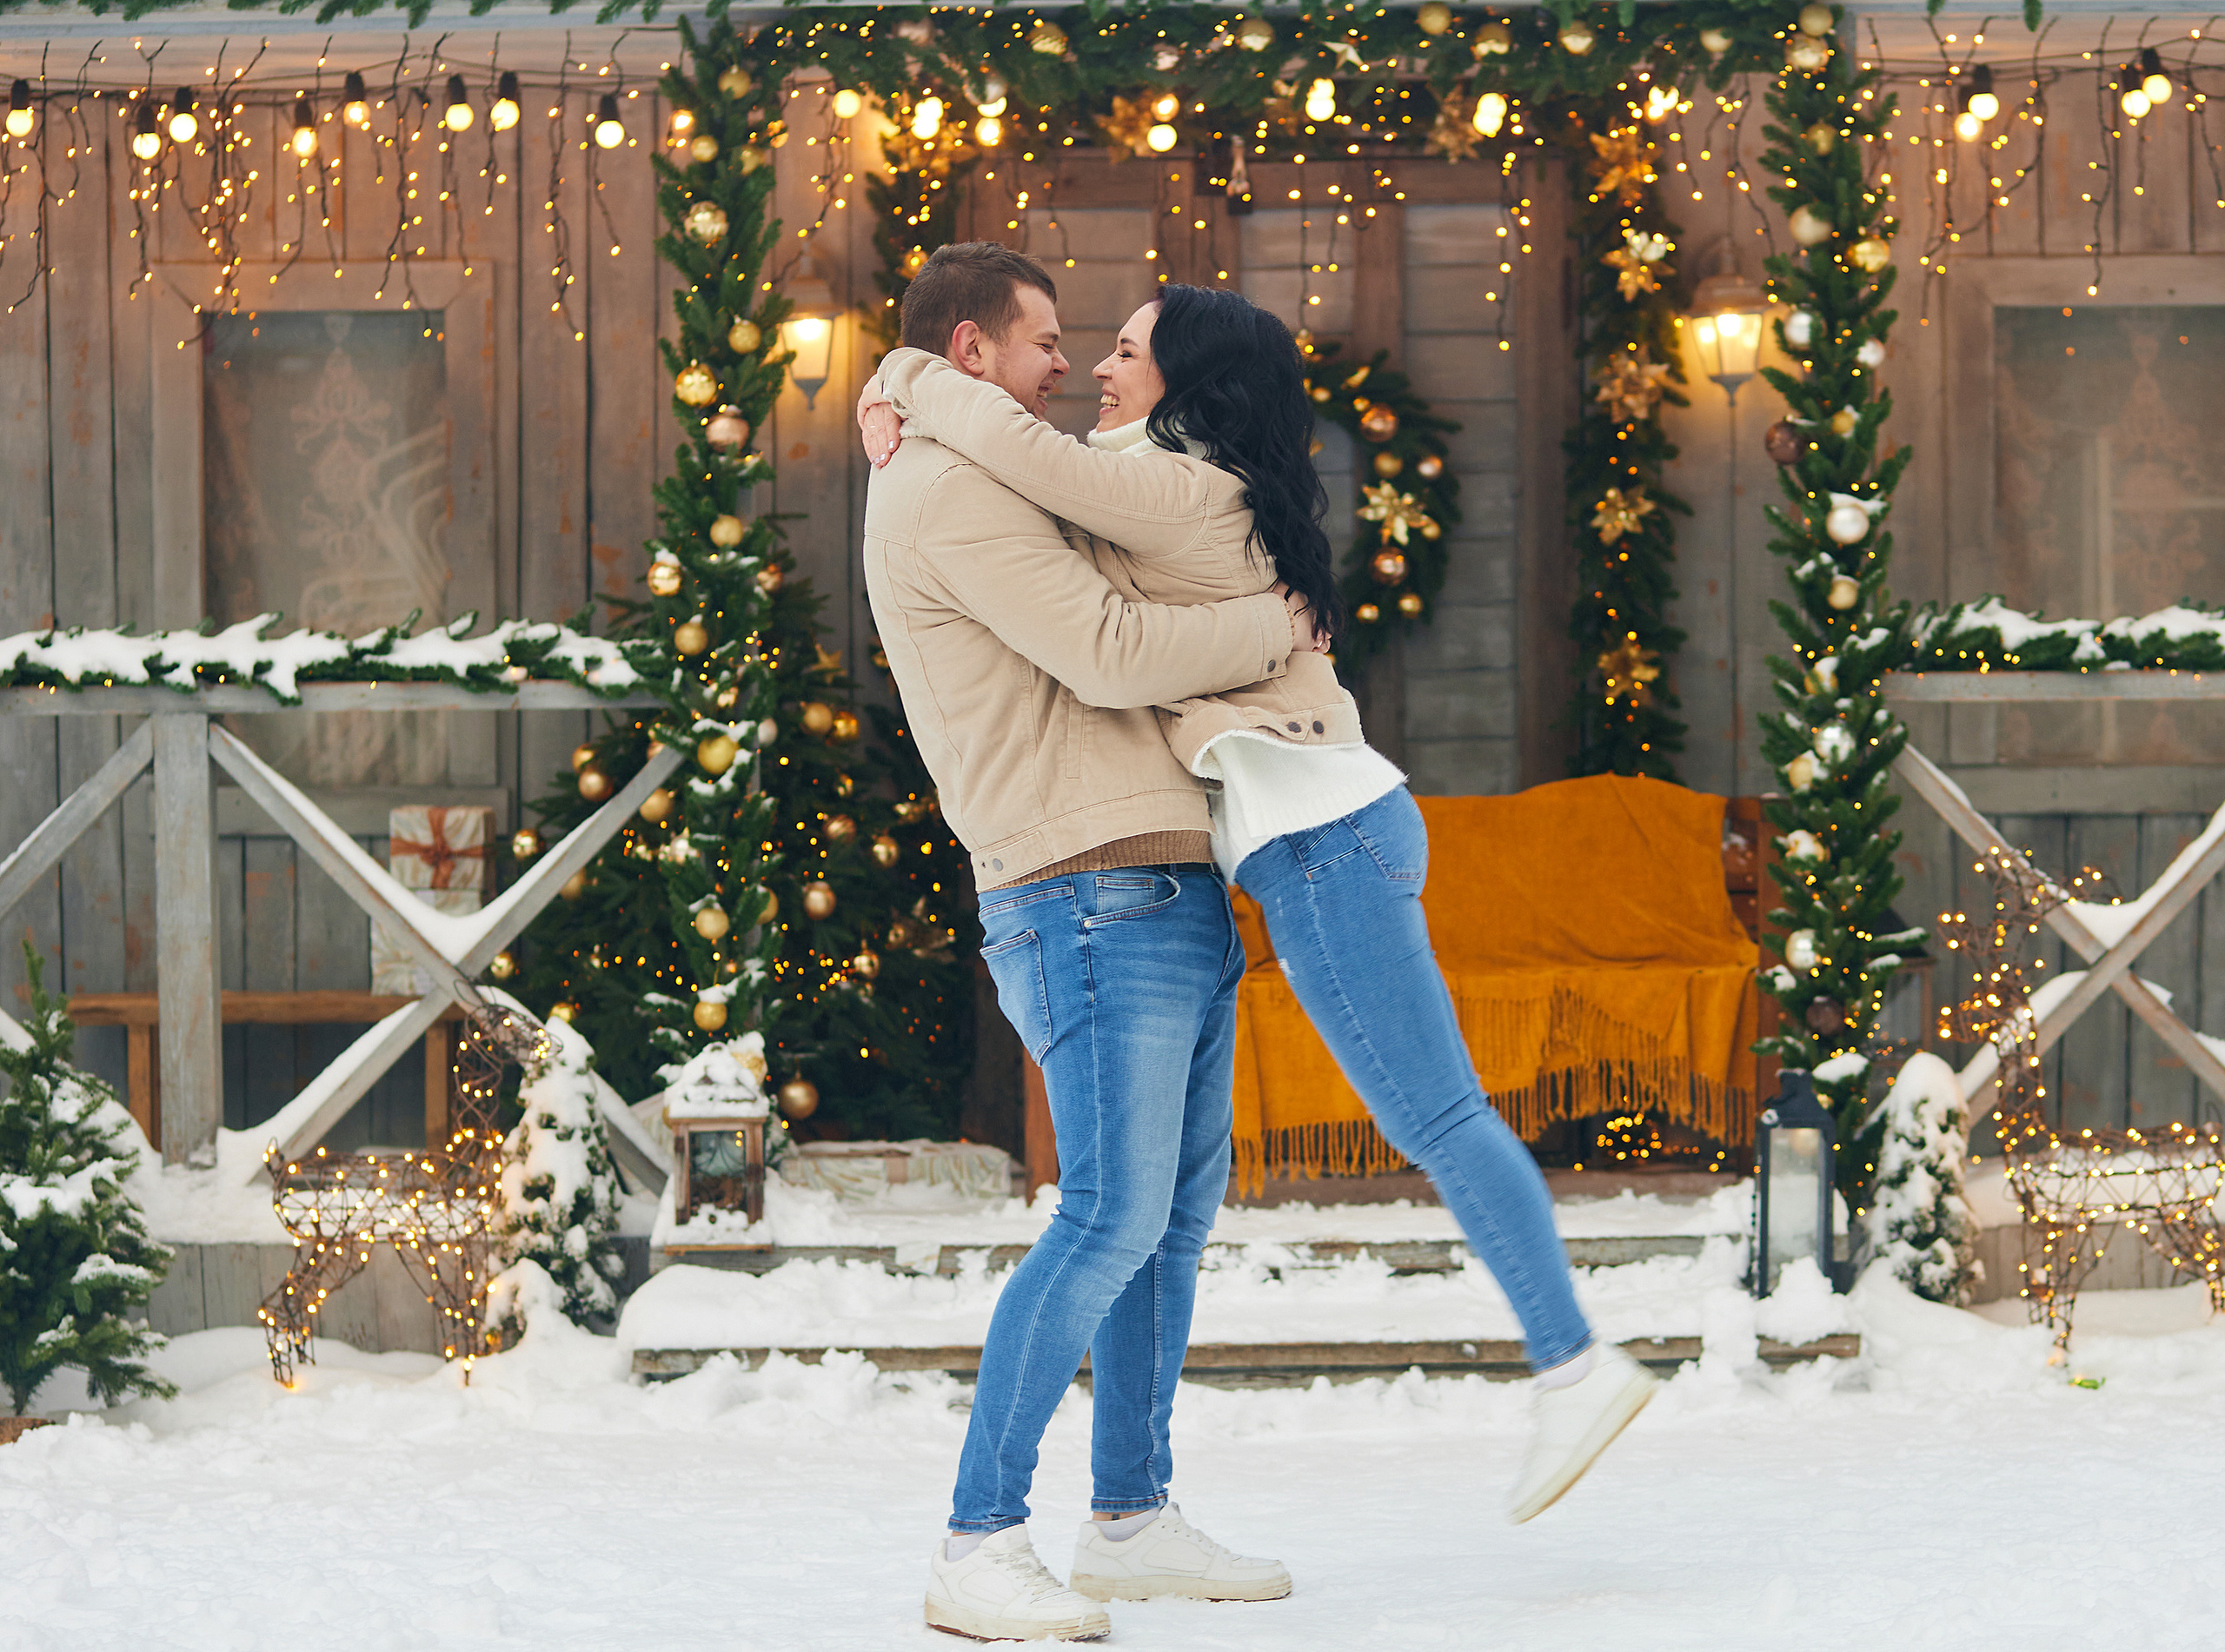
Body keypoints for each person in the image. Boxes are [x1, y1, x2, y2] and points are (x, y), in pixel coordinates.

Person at [860, 281, 1657, 1542]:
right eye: (1074, 344)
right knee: (1188, 1197)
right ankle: (1127, 1512)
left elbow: (1035, 461)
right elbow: (1045, 469)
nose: (1091, 369)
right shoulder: (1164, 469)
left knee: (1435, 1114)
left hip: (1320, 841)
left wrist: (903, 381)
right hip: (1299, 842)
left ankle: (1571, 1359)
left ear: (1187, 382)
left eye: (1121, 350)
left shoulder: (1178, 482)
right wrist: (901, 385)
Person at [861, 243, 1316, 1644]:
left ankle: (1128, 1513)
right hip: (1077, 886)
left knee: (1168, 1219)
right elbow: (1116, 651)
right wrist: (1277, 624)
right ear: (973, 354)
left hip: (1155, 877)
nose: (1065, 367)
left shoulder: (987, 466)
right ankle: (976, 1536)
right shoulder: (941, 492)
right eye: (1045, 341)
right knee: (1108, 1215)